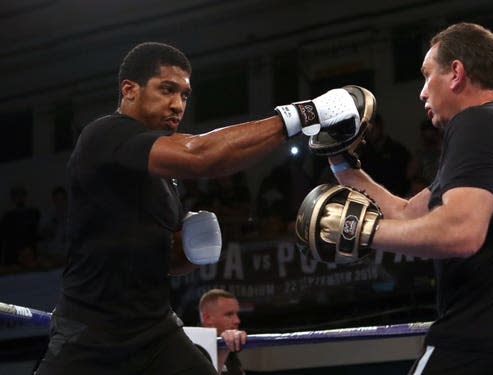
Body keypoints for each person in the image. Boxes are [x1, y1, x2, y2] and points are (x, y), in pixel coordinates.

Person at [34, 41, 366, 375]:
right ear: (129, 90)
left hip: (153, 330)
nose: (177, 105)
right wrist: (306, 114)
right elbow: (200, 155)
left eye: (184, 95)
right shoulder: (104, 135)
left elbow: (165, 262)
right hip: (91, 332)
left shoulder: (165, 178)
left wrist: (190, 252)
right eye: (166, 90)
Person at [321, 23, 493, 374]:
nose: (422, 93)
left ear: (456, 73)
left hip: (490, 338)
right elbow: (406, 213)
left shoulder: (476, 122)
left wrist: (357, 230)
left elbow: (460, 231)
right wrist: (341, 162)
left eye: (426, 76)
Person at [199, 289, 246, 375]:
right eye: (229, 314)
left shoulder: (230, 349)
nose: (237, 320)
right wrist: (222, 353)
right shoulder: (192, 351)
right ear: (207, 318)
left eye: (236, 314)